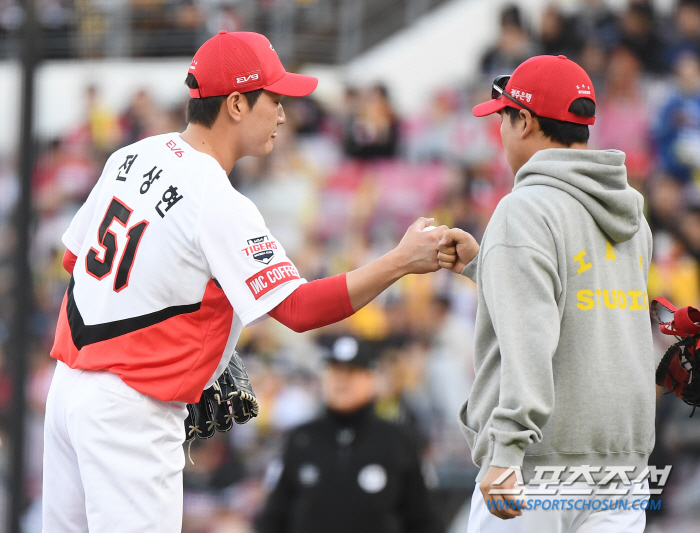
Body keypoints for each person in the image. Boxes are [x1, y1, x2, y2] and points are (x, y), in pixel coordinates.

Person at [42, 31, 447, 533]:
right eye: (274, 99)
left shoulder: (133, 154)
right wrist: (401, 261)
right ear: (236, 103)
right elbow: (299, 311)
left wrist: (190, 326)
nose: (283, 114)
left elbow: (72, 260)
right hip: (131, 408)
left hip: (66, 392)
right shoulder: (218, 199)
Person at [437, 55, 655, 532]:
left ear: (526, 121)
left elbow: (531, 339)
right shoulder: (632, 216)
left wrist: (507, 450)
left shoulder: (524, 210)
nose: (500, 131)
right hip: (623, 472)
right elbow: (586, 307)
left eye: (503, 117)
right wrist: (485, 263)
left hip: (535, 469)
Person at [254, 336, 443, 533]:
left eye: (352, 371)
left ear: (372, 378)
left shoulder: (397, 440)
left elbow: (423, 518)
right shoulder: (302, 439)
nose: (342, 379)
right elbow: (275, 517)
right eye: (335, 370)